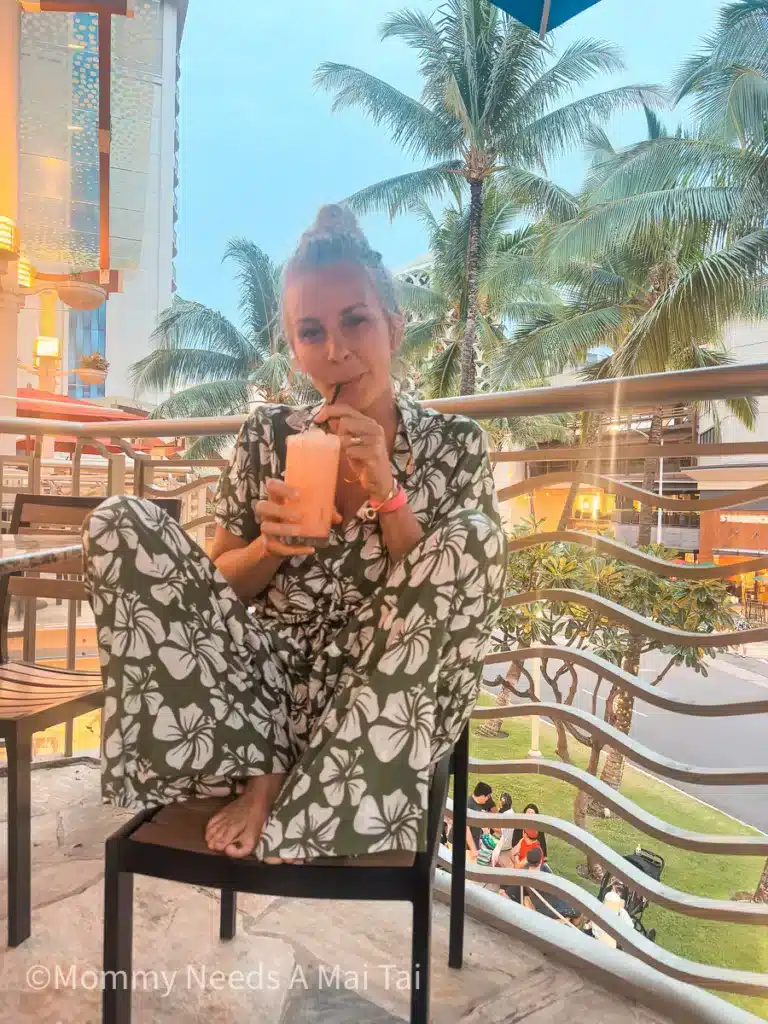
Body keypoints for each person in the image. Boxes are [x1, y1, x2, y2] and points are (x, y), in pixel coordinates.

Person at [81, 204, 507, 862]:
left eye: (355, 322)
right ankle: (275, 776)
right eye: (311, 331)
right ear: (295, 347)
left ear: (393, 327)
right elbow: (216, 585)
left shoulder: (456, 444)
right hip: (256, 687)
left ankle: (296, 792)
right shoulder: (271, 435)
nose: (335, 350)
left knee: (477, 538)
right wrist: (268, 548)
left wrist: (388, 490)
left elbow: (445, 599)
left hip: (372, 701)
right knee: (118, 522)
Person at [508, 802, 547, 867]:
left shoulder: (534, 850)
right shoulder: (521, 838)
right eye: (528, 812)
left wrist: (516, 854)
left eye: (532, 813)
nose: (530, 815)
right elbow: (512, 851)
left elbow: (518, 865)